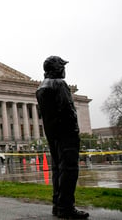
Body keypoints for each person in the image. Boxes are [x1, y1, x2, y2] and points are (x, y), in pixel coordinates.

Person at [36, 56, 89, 219]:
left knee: (57, 169)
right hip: (66, 133)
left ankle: (57, 205)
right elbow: (68, 110)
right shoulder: (59, 84)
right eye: (62, 66)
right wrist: (74, 131)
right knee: (69, 169)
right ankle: (66, 207)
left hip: (53, 134)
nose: (64, 70)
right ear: (57, 68)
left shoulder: (41, 88)